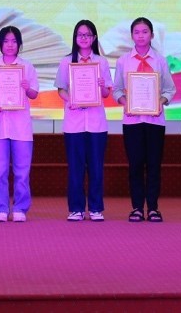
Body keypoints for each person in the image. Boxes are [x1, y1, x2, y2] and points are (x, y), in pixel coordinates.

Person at [113, 17, 177, 223]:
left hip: (155, 121)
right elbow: (116, 90)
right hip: (132, 122)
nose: (141, 36)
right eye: (137, 32)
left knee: (154, 165)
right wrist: (125, 103)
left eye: (145, 32)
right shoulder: (123, 61)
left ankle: (154, 208)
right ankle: (137, 208)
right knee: (135, 165)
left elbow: (170, 89)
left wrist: (160, 102)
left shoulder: (160, 60)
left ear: (151, 35)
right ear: (132, 36)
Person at [0, 25, 39, 222]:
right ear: (0, 44)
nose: (10, 45)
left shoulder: (27, 66)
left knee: (22, 172)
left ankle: (20, 208)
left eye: (14, 41)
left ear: (19, 44)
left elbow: (34, 94)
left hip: (21, 127)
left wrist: (27, 88)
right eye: (6, 41)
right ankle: (1, 209)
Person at [54, 19, 112, 222]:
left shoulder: (102, 62)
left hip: (97, 123)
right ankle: (76, 208)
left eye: (87, 35)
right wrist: (71, 100)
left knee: (96, 166)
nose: (84, 38)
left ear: (94, 38)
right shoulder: (66, 61)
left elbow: (106, 94)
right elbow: (61, 89)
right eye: (80, 35)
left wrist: (102, 85)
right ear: (75, 38)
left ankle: (96, 208)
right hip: (74, 123)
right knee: (76, 167)